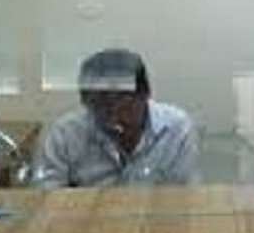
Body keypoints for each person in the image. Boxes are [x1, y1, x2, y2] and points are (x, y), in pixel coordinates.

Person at [34, 49, 199, 188]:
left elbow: (183, 196)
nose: (113, 117)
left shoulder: (176, 128)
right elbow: (46, 195)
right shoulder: (65, 134)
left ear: (145, 95)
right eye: (100, 106)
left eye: (123, 105)